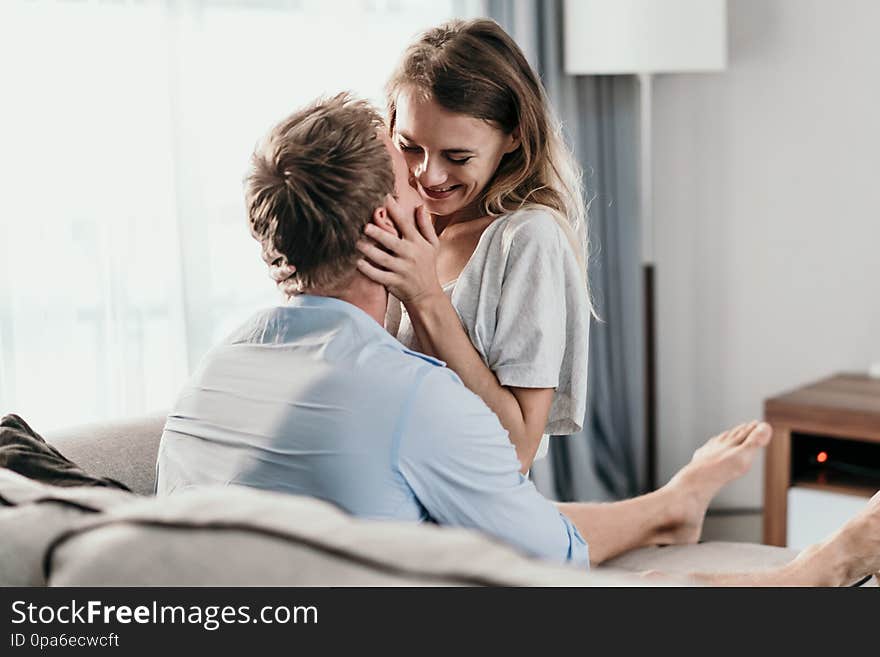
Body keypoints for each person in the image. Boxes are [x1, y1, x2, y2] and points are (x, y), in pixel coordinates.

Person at [155, 94, 880, 586]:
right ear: (386, 223)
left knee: (461, 499)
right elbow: (549, 555)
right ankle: (819, 567)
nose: (425, 183)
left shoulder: (210, 378)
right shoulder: (409, 397)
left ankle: (669, 504)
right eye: (406, 172)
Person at [356, 19, 590, 472]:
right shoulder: (394, 221)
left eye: (457, 157)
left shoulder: (527, 240)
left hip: (469, 497)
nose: (429, 175)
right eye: (410, 147)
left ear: (514, 135)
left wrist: (424, 297)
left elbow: (518, 448)